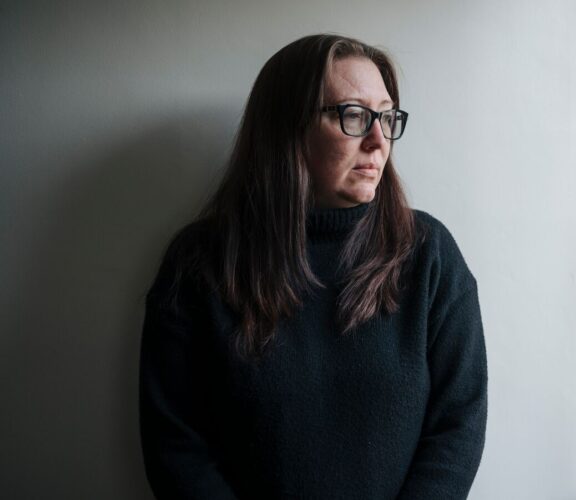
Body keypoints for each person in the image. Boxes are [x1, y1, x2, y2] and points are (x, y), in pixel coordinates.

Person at [138, 34, 487, 499]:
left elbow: (458, 424)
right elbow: (175, 445)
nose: (378, 140)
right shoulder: (201, 264)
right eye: (354, 115)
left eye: (386, 116)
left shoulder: (428, 254)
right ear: (288, 126)